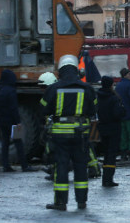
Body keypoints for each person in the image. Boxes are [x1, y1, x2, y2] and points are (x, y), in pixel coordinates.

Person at [40, 55, 97, 211]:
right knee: (80, 167)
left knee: (61, 168)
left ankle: (60, 202)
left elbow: (43, 110)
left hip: (60, 137)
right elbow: (93, 110)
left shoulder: (53, 89)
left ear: (61, 71)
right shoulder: (87, 88)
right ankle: (81, 202)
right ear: (76, 70)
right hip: (81, 135)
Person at [0, 69, 35, 172]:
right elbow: (14, 108)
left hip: (2, 121)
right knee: (18, 143)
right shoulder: (11, 91)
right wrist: (18, 122)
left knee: (5, 143)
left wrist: (0, 116)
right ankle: (24, 166)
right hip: (13, 122)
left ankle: (5, 166)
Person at [97, 76, 125, 187]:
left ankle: (105, 179)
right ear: (110, 85)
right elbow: (117, 114)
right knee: (111, 155)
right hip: (113, 128)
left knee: (106, 154)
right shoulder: (113, 98)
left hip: (103, 127)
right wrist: (123, 110)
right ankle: (108, 179)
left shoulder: (98, 96)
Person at [116, 68, 130, 161]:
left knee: (123, 135)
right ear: (125, 75)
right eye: (129, 74)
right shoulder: (129, 85)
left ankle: (123, 153)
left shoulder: (118, 85)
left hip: (121, 114)